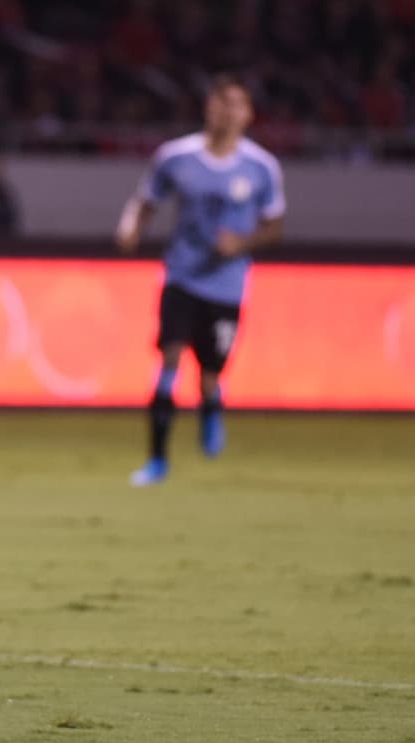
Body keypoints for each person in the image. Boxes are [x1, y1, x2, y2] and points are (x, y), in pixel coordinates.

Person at [115, 74, 286, 486]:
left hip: (227, 287)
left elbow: (274, 226)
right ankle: (157, 460)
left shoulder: (262, 167)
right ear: (208, 107)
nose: (227, 111)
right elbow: (146, 200)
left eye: (236, 104)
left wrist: (242, 242)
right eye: (220, 102)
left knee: (210, 374)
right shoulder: (176, 157)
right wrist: (130, 228)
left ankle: (211, 407)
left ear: (248, 114)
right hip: (182, 277)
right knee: (169, 361)